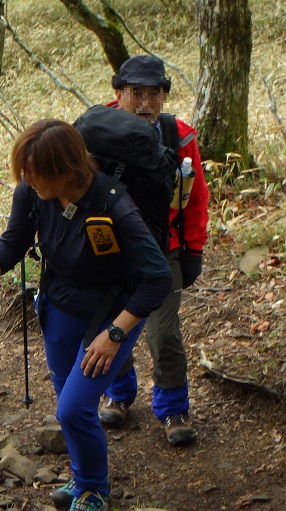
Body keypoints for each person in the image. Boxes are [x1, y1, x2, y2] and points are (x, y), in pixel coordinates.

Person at [0, 120, 171, 511]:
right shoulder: (33, 193)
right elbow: (13, 241)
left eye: (35, 172)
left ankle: (95, 491)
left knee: (73, 408)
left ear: (66, 169)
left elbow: (157, 280)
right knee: (69, 403)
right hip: (60, 304)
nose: (27, 179)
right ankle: (83, 479)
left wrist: (115, 334)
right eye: (25, 171)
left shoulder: (115, 204)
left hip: (112, 314)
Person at [99, 55, 209, 447]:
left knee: (164, 332)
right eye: (136, 94)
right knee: (114, 325)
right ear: (118, 94)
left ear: (164, 95)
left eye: (154, 94)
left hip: (167, 250)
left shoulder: (180, 136)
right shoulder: (97, 131)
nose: (145, 102)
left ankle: (173, 406)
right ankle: (119, 393)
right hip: (112, 250)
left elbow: (196, 200)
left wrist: (193, 249)